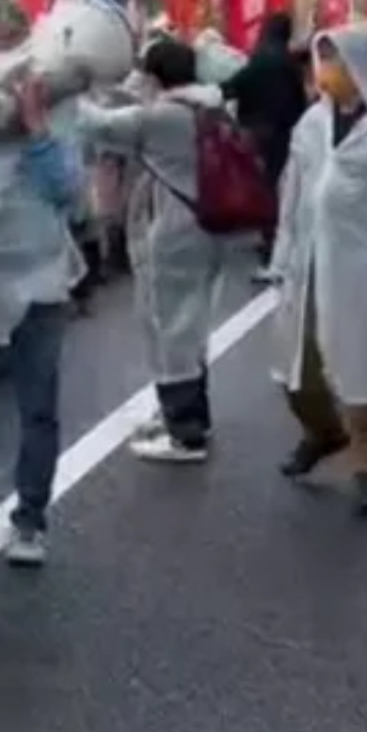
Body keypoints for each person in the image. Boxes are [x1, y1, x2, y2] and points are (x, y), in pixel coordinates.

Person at [80, 38, 258, 464]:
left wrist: (75, 84)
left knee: (171, 325)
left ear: (154, 76)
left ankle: (185, 433)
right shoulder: (211, 107)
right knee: (190, 323)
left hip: (178, 230)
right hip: (211, 226)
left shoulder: (162, 115)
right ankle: (194, 416)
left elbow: (99, 126)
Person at [0, 68, 85, 565]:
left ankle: (29, 518)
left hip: (40, 285)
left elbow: (72, 195)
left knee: (36, 407)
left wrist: (36, 127)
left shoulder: (53, 129)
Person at [267, 25, 367, 514]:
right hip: (309, 261)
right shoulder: (312, 123)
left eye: (336, 60)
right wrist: (281, 255)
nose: (327, 71)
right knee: (299, 373)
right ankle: (323, 432)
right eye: (323, 60)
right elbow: (292, 191)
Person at [224, 12, 313, 200]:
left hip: (252, 129)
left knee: (254, 182)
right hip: (282, 133)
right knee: (277, 184)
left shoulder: (258, 58)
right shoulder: (290, 62)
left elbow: (232, 87)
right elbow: (300, 100)